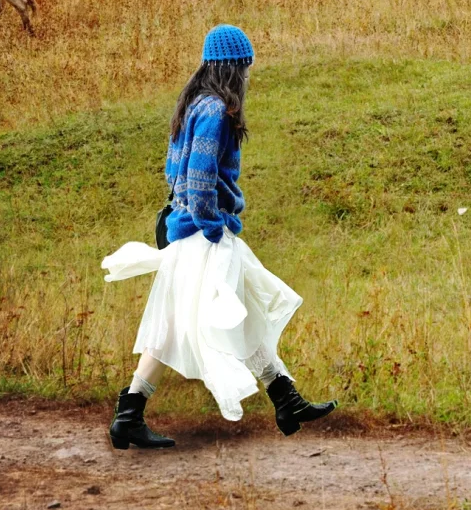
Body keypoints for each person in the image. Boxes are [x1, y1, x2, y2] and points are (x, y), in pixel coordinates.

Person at [101, 24, 336, 449]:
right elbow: (198, 177)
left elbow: (173, 171)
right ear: (233, 67)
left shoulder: (193, 103)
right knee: (217, 315)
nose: (248, 76)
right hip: (204, 234)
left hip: (189, 230)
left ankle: (284, 399)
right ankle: (283, 400)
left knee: (223, 313)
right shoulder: (216, 112)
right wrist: (211, 225)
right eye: (245, 67)